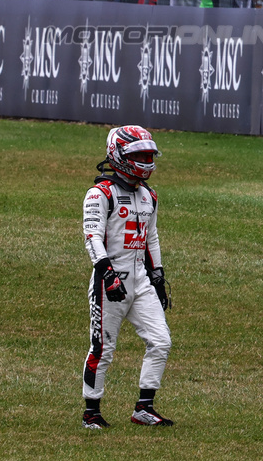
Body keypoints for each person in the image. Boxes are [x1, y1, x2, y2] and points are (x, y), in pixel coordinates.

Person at [81, 126, 173, 429]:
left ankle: (144, 408)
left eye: (148, 155)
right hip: (110, 282)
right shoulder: (100, 193)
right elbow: (92, 237)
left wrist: (157, 277)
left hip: (140, 281)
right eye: (138, 155)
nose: (145, 160)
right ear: (118, 155)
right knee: (103, 348)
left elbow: (152, 238)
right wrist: (107, 275)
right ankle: (91, 412)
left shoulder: (150, 196)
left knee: (161, 341)